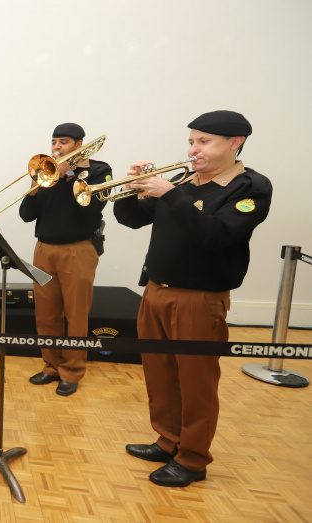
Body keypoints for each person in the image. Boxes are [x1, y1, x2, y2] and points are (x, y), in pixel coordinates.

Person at [114, 110, 271, 487]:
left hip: (200, 298)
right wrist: (133, 187)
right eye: (191, 141)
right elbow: (130, 219)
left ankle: (193, 459)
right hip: (156, 291)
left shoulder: (249, 186)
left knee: (196, 382)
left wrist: (169, 193)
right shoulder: (185, 180)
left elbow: (214, 235)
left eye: (203, 141)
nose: (193, 149)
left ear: (235, 143)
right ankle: (168, 442)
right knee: (160, 373)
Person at [19, 123, 112, 396]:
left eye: (63, 142)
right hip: (44, 249)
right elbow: (26, 215)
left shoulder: (98, 170)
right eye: (54, 142)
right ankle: (51, 366)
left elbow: (92, 208)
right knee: (46, 314)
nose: (56, 147)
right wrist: (34, 188)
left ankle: (72, 371)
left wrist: (69, 173)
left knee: (75, 314)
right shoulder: (46, 173)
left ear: (79, 144)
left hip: (78, 250)